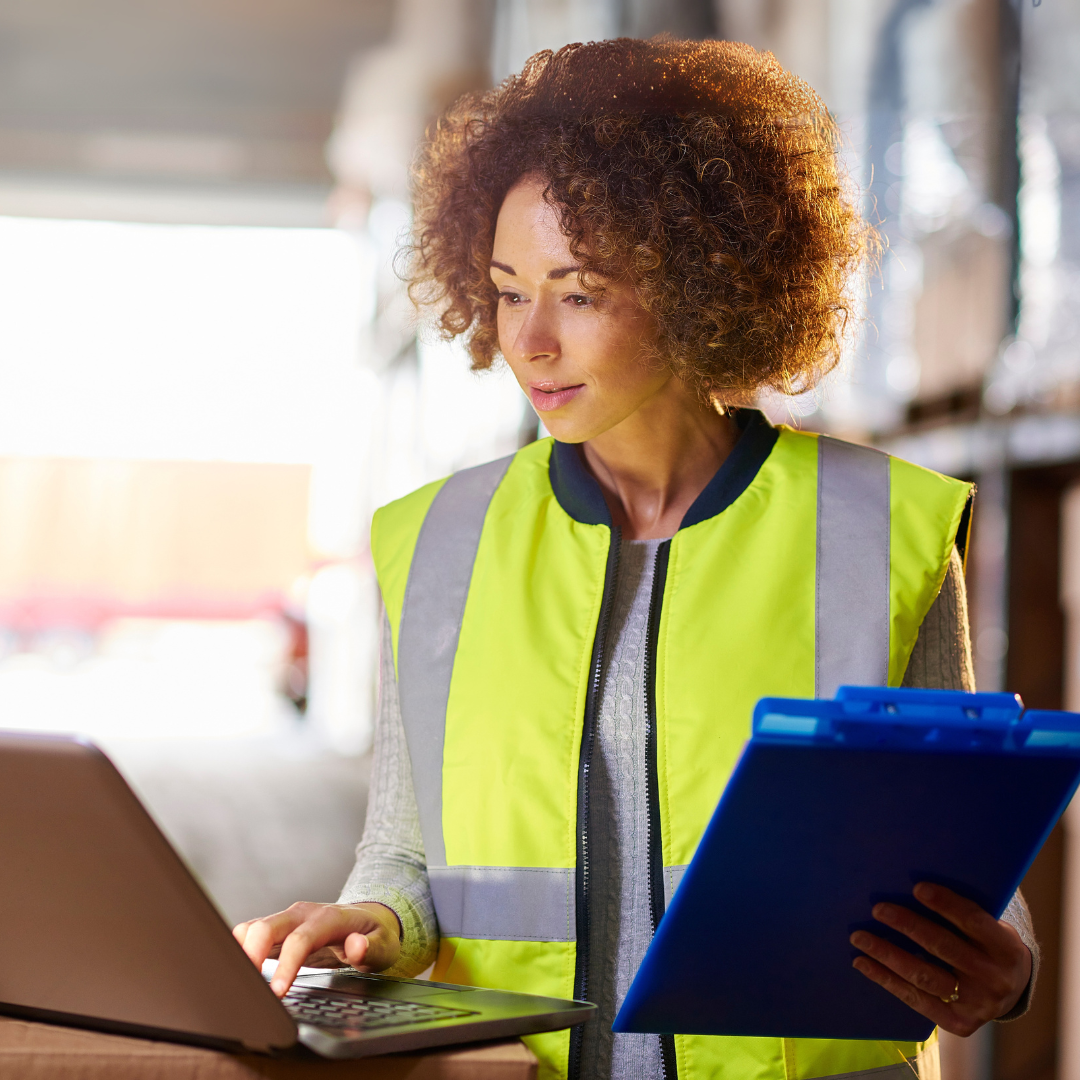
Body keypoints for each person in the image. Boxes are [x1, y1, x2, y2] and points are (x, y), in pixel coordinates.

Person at [234, 39, 1037, 1080]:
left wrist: (1004, 966)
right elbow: (404, 856)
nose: (529, 340)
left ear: (702, 279)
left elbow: (964, 859)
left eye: (578, 291)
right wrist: (372, 924)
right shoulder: (437, 544)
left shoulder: (880, 524)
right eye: (508, 289)